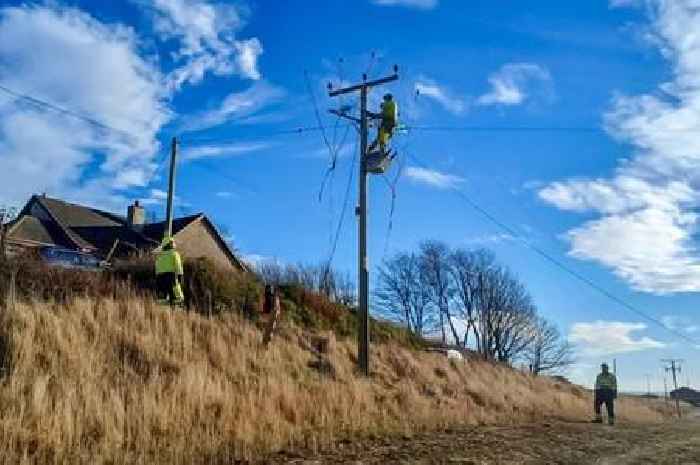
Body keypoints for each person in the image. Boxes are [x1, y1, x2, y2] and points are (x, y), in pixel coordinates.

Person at [155, 235, 184, 305]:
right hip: (171, 277)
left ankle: (163, 312)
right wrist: (180, 276)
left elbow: (157, 268)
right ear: (170, 244)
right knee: (177, 298)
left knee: (162, 299)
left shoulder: (159, 256)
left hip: (160, 278)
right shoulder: (174, 254)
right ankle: (175, 309)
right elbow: (178, 266)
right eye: (172, 243)